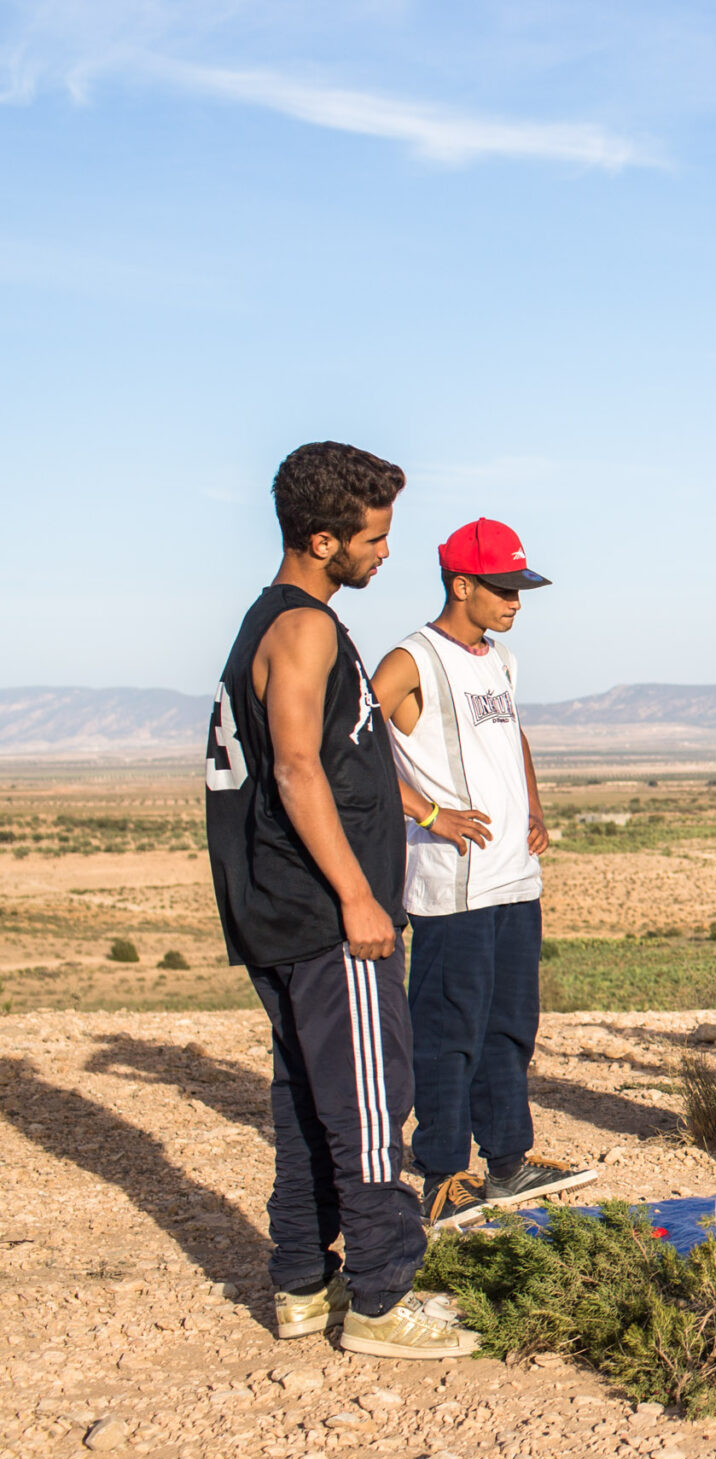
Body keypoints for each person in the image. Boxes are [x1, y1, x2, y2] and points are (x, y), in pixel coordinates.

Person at [207, 441, 474, 1359]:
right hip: (324, 915)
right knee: (369, 1100)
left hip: (279, 910)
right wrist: (359, 896)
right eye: (374, 537)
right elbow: (294, 767)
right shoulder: (305, 627)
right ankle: (381, 1299)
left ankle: (300, 1283)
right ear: (323, 540)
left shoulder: (270, 620)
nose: (387, 552)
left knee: (306, 1101)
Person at [372, 518, 595, 1233]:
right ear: (462, 585)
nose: (516, 602)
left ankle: (507, 1163)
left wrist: (534, 806)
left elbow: (514, 735)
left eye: (521, 589)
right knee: (449, 1031)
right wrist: (428, 812)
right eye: (504, 589)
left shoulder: (500, 659)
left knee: (509, 1027)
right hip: (453, 884)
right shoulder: (413, 658)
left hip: (513, 879)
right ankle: (442, 1176)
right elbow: (348, 745)